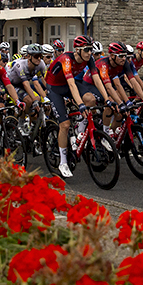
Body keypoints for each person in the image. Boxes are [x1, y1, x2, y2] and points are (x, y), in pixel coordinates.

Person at [45, 35, 106, 178]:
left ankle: (79, 132)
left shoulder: (89, 59)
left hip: (67, 84)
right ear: (77, 50)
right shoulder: (66, 59)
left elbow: (97, 80)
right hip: (55, 88)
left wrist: (108, 99)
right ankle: (63, 162)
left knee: (90, 100)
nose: (90, 53)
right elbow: (72, 84)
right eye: (87, 49)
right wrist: (80, 105)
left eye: (91, 49)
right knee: (65, 125)